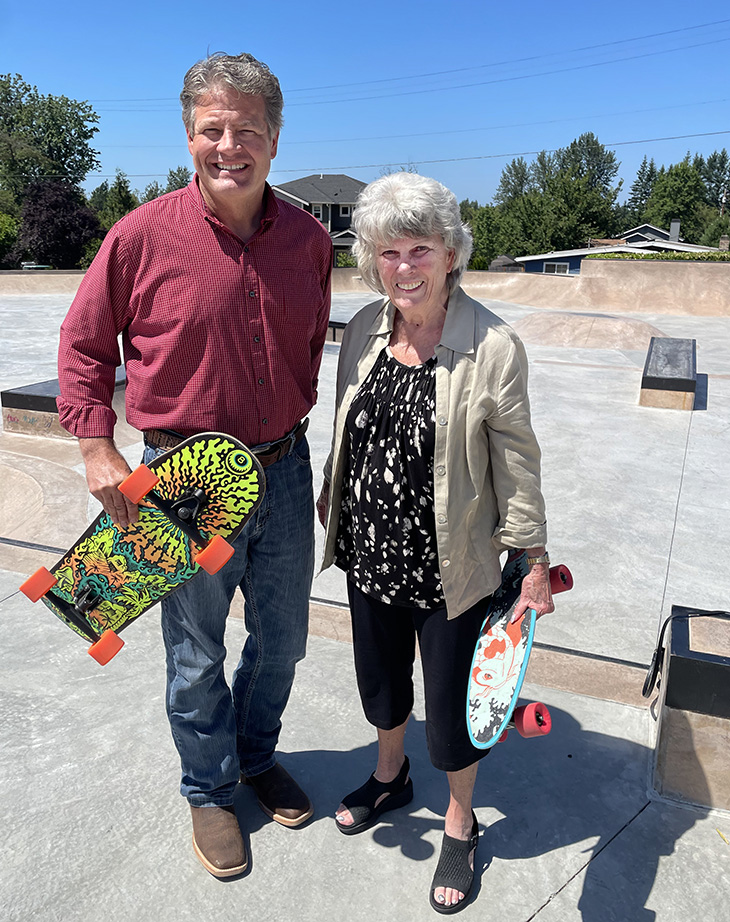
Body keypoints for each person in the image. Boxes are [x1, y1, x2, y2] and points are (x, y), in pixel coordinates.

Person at [57, 52, 332, 879]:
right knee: (196, 652)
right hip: (184, 477)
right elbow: (82, 344)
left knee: (282, 642)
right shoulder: (139, 237)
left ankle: (254, 754)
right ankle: (209, 790)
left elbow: (313, 344)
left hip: (284, 469)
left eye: (248, 129)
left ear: (276, 139)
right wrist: (96, 441)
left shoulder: (312, 241)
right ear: (189, 137)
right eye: (213, 129)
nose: (229, 145)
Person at [316, 172, 553, 914]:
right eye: (388, 252)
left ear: (451, 253)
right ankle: (392, 778)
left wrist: (535, 558)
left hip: (452, 563)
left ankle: (460, 821)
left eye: (421, 248)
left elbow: (517, 463)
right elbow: (349, 422)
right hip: (369, 551)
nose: (404, 267)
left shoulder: (493, 345)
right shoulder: (361, 328)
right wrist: (333, 487)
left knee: (452, 712)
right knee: (382, 684)